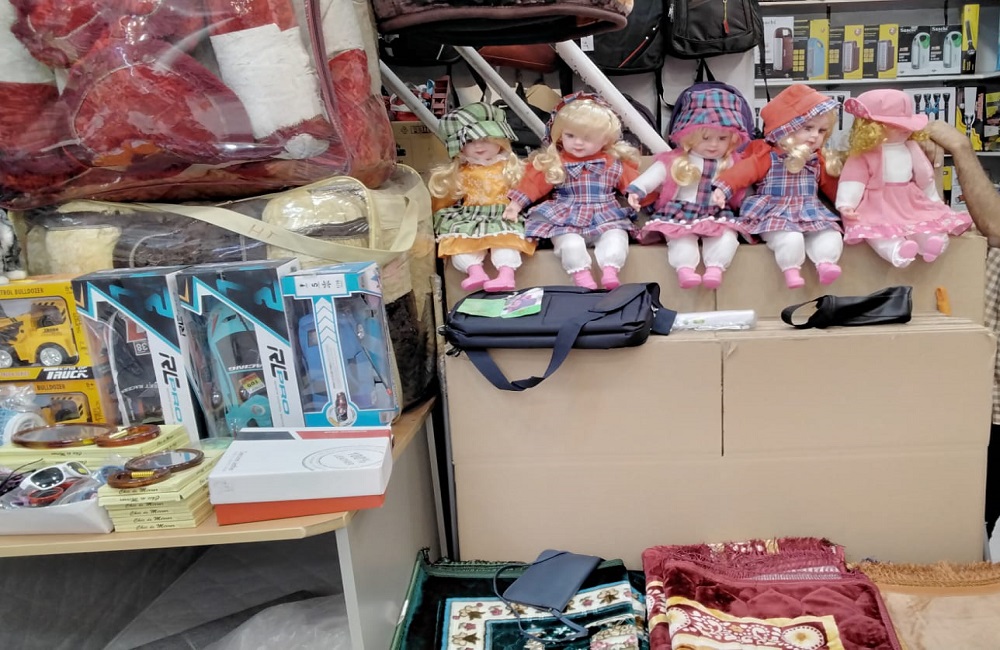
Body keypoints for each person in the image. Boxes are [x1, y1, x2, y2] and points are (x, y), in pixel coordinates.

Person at [923, 119, 1000, 537]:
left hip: (990, 405)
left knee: (973, 514)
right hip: (978, 399)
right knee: (966, 515)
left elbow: (996, 228)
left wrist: (961, 148)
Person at [503, 92, 643, 290]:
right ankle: (580, 274)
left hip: (605, 213)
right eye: (570, 136)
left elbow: (635, 184)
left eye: (588, 138)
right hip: (565, 214)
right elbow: (533, 183)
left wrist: (636, 195)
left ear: (605, 139)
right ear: (559, 134)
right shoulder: (555, 163)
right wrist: (515, 205)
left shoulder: (614, 164)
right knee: (569, 243)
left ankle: (610, 270)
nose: (578, 143)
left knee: (616, 237)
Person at [711, 84, 844, 289]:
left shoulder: (817, 160)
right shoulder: (768, 156)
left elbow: (833, 187)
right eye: (807, 128)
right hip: (774, 211)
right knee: (790, 238)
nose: (814, 136)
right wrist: (722, 189)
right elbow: (742, 172)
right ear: (786, 128)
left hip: (810, 211)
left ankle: (826, 263)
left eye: (821, 131)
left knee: (830, 234)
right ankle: (791, 269)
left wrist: (846, 204)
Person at [626, 84, 753, 290]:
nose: (714, 144)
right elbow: (654, 175)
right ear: (689, 136)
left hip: (716, 213)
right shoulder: (676, 160)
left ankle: (715, 268)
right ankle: (685, 269)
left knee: (727, 237)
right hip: (680, 211)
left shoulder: (731, 162)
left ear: (733, 139)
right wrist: (636, 190)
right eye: (705, 138)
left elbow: (743, 182)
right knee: (680, 239)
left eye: (722, 138)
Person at [835, 89, 972, 268]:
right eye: (896, 125)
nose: (905, 129)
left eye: (906, 125)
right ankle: (897, 249)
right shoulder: (864, 154)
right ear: (872, 127)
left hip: (910, 199)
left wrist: (933, 199)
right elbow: (853, 179)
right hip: (879, 203)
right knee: (879, 231)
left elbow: (924, 175)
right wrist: (847, 203)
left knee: (922, 222)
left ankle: (930, 242)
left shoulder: (911, 147)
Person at [428, 103, 533, 292]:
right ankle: (475, 271)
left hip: (504, 215)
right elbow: (444, 199)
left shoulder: (510, 168)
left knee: (506, 241)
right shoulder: (460, 172)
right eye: (469, 141)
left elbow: (529, 191)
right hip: (470, 217)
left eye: (485, 139)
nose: (478, 146)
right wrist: (438, 215)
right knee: (461, 244)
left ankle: (506, 274)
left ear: (500, 140)